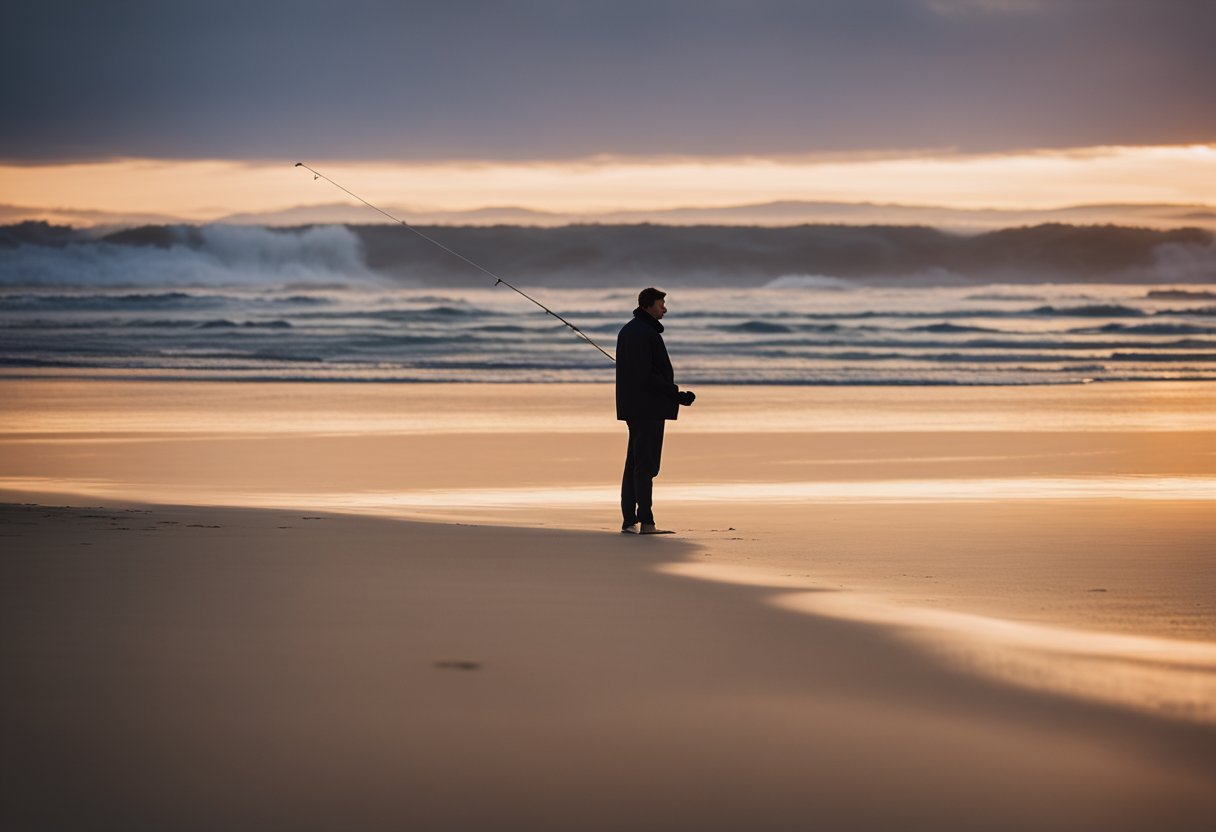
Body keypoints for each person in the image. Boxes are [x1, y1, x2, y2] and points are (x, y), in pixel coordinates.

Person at [615, 287, 695, 534]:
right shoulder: (645, 333)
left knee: (634, 464)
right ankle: (647, 522)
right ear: (648, 305)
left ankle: (630, 520)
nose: (664, 308)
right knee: (646, 466)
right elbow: (649, 376)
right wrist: (676, 394)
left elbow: (640, 372)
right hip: (647, 407)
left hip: (634, 406)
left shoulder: (629, 330)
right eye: (661, 304)